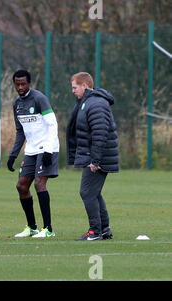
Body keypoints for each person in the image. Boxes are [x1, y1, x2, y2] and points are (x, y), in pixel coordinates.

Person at [7, 69, 59, 238]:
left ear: (29, 83)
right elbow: (20, 132)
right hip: (31, 150)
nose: (20, 87)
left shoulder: (39, 99)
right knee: (21, 186)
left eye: (23, 83)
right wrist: (13, 155)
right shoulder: (17, 104)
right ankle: (32, 227)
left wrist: (48, 150)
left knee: (39, 184)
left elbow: (52, 124)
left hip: (46, 148)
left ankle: (48, 229)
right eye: (17, 84)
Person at [67, 72, 118, 241]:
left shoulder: (95, 103)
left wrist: (95, 160)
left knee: (87, 192)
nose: (73, 91)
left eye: (75, 87)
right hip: (94, 156)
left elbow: (100, 132)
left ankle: (95, 231)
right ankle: (104, 230)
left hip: (98, 157)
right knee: (94, 193)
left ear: (85, 86)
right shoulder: (86, 102)